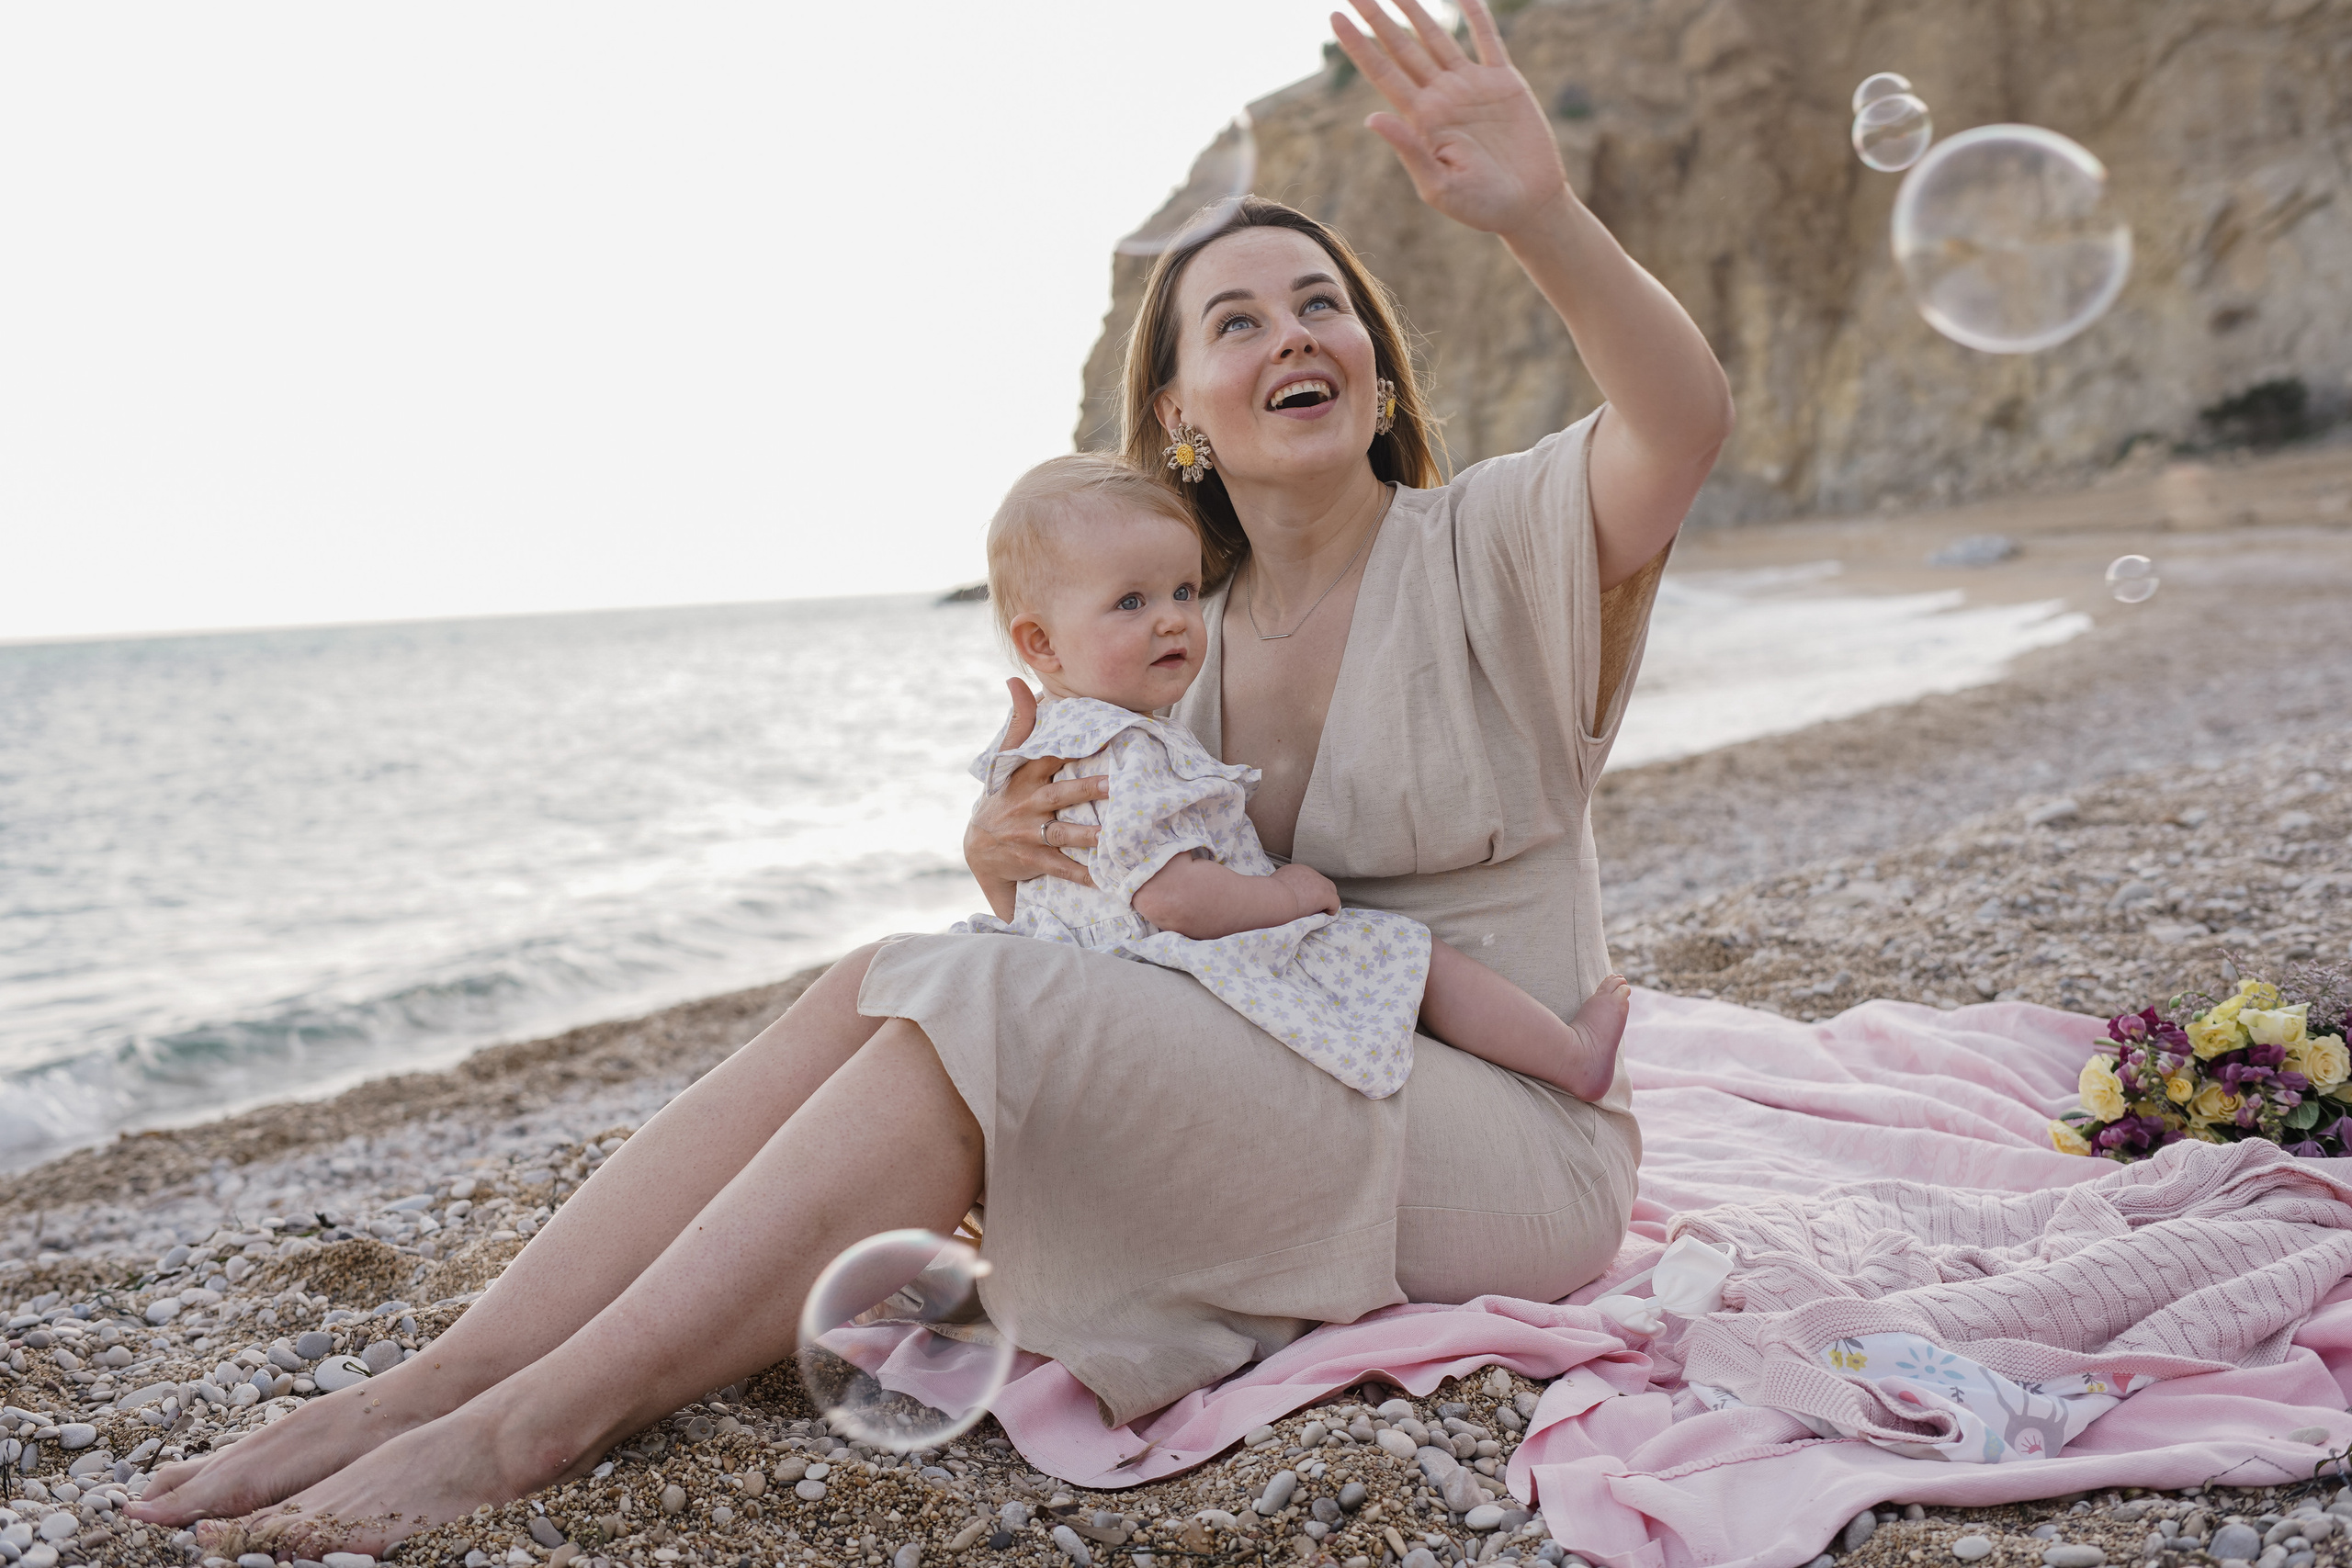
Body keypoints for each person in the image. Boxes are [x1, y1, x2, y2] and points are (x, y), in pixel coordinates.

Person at [132, 0, 1732, 1553]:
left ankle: (526, 1428)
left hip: (1511, 1134)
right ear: (1178, 417)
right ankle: (441, 1375)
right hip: (1290, 1074)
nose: (1293, 333)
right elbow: (1123, 931)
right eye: (1235, 320)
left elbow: (1679, 420)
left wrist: (1540, 215)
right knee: (882, 973)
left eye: (1321, 304)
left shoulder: (1504, 541)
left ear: (1372, 362)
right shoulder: (1168, 640)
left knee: (982, 1007)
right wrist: (1007, 873)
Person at [959, 452, 1632, 1103]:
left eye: (1183, 590)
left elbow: (1041, 897)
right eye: (1130, 601)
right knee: (1407, 953)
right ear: (1040, 643)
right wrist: (1289, 894)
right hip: (1173, 983)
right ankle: (1571, 1057)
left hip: (1089, 985)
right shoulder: (1130, 748)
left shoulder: (1032, 745)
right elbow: (1176, 900)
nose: (1171, 617)